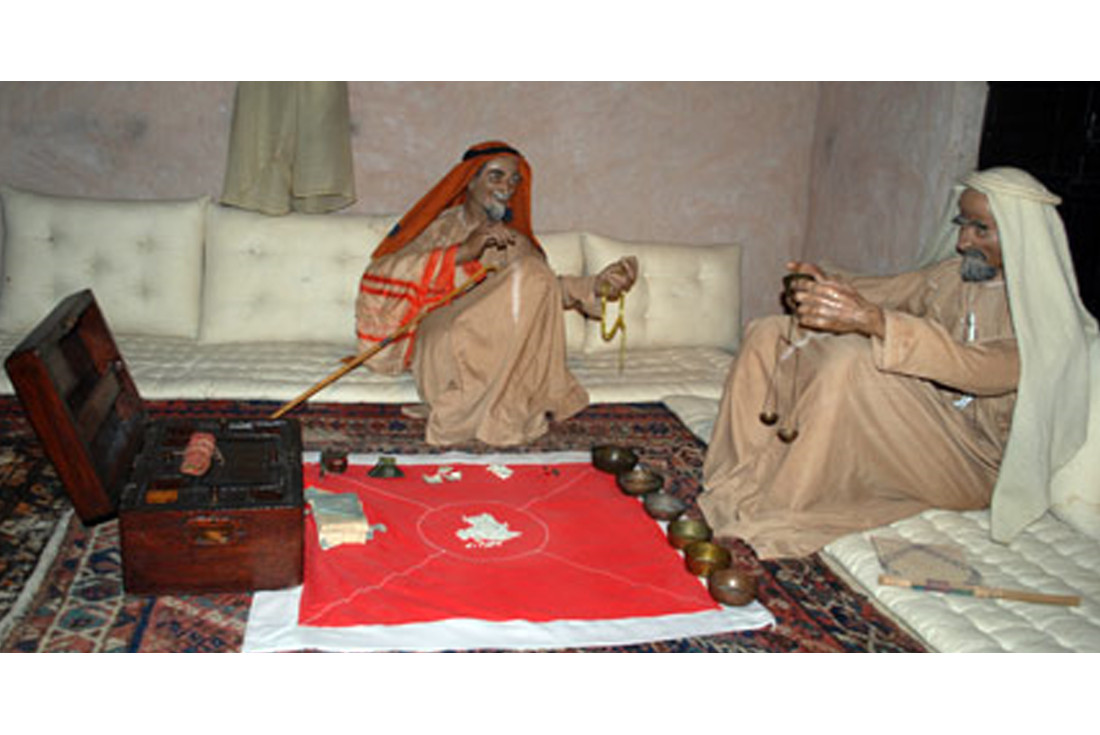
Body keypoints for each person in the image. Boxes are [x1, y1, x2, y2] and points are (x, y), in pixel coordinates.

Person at [699, 167, 1097, 559]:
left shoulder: (1046, 316)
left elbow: (979, 369)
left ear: (1020, 236)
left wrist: (873, 321)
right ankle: (741, 475)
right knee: (770, 331)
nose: (962, 242)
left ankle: (784, 503)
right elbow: (883, 290)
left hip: (972, 465)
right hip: (926, 425)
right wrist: (824, 287)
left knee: (857, 360)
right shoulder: (950, 278)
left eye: (981, 230)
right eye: (962, 224)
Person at [355, 141, 638, 446]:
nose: (507, 187)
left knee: (531, 271)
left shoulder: (515, 242)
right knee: (527, 272)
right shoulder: (438, 227)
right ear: (470, 180)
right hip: (443, 345)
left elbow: (542, 289)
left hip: (496, 347)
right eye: (496, 176)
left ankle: (480, 409)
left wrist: (596, 285)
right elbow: (380, 273)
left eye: (513, 180)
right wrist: (462, 252)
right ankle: (465, 406)